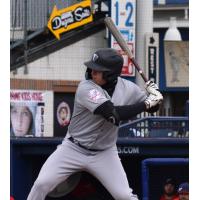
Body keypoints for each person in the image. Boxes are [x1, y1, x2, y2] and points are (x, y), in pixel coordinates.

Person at [27, 48, 163, 200]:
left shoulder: (128, 88)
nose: (93, 72)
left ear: (110, 75)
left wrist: (156, 97)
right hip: (73, 148)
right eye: (92, 68)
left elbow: (154, 107)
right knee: (41, 184)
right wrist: (147, 103)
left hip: (105, 152)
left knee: (124, 196)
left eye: (98, 70)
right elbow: (113, 115)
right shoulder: (86, 87)